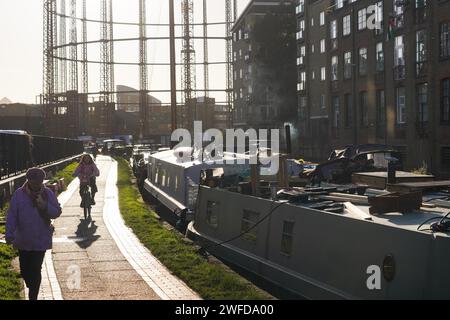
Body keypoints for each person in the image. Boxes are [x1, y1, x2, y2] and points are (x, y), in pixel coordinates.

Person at [5, 168, 62, 300]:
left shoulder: (48, 193)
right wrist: (9, 233)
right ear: (28, 180)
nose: (37, 184)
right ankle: (32, 285)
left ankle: (33, 296)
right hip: (23, 239)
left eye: (39, 181)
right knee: (25, 270)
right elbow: (12, 215)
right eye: (34, 181)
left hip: (41, 238)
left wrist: (45, 206)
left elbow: (57, 212)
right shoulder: (19, 194)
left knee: (36, 268)